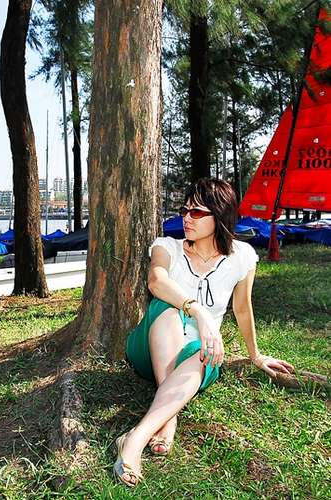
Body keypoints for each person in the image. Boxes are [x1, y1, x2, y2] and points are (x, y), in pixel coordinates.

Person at [113, 178, 294, 487]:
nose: (187, 218)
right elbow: (156, 281)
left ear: (220, 215)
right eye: (185, 210)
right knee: (167, 306)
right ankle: (166, 419)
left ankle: (134, 437)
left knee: (201, 352)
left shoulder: (242, 257)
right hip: (149, 345)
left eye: (196, 212)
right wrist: (199, 312)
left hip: (200, 358)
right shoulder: (167, 247)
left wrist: (255, 355)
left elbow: (242, 308)